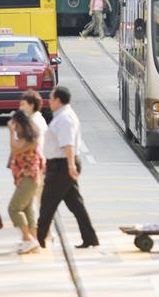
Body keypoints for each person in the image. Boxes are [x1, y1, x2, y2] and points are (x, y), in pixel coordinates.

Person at [35, 87, 99, 249]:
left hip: (62, 165)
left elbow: (68, 144)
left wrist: (70, 166)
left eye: (50, 98)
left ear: (58, 100)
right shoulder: (63, 116)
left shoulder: (64, 118)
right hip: (62, 164)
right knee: (75, 204)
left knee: (47, 202)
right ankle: (90, 238)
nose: (49, 101)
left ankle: (39, 238)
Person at [7, 110, 45, 254]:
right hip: (24, 178)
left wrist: (10, 133)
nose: (14, 128)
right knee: (28, 210)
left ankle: (28, 238)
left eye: (15, 125)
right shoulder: (24, 137)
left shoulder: (31, 139)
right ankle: (33, 241)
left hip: (29, 178)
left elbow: (15, 150)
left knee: (14, 208)